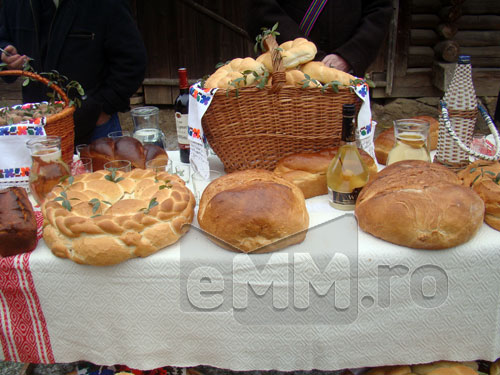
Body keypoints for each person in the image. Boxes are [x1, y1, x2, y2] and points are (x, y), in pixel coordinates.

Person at [0, 0, 147, 146]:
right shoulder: (15, 3)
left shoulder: (105, 4)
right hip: (34, 131)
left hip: (94, 128)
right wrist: (4, 54)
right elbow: (3, 38)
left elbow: (132, 62)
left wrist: (102, 108)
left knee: (106, 169)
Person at [243, 0, 393, 77]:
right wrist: (304, 56)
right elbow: (260, 9)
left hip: (345, 74)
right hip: (286, 72)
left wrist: (349, 56)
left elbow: (379, 9)